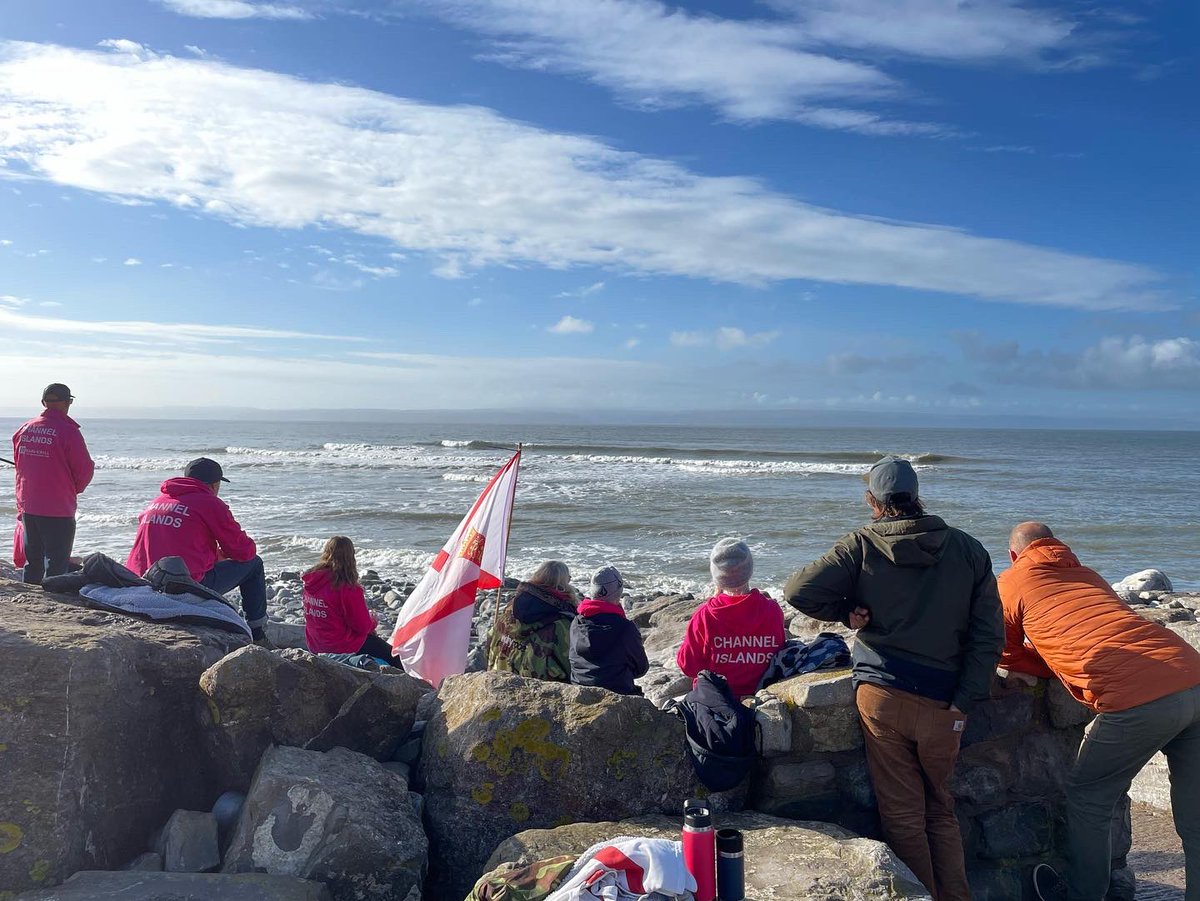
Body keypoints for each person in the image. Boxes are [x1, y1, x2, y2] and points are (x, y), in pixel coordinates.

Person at [784, 456, 1002, 901]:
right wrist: (965, 699)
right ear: (918, 495)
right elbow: (988, 636)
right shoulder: (968, 549)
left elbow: (797, 591)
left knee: (903, 817)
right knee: (940, 809)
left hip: (884, 693)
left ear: (873, 500)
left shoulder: (861, 545)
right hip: (945, 700)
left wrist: (844, 611)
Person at [997, 522, 1200, 901]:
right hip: (1191, 671)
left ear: (1013, 555)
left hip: (1139, 696)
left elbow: (1003, 650)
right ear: (1061, 547)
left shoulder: (1010, 582)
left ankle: (1084, 893)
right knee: (1196, 815)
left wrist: (1048, 666)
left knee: (1089, 796)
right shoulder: (1088, 574)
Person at [126, 457, 268, 643]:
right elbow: (243, 550)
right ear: (214, 484)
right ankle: (258, 633)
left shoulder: (159, 501)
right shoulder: (209, 503)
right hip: (182, 586)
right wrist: (227, 553)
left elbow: (179, 542)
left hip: (140, 582)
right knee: (254, 564)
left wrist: (216, 553)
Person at [676, 538, 784, 699]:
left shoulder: (706, 614)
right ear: (749, 571)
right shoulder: (772, 610)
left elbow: (688, 666)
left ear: (717, 577)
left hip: (717, 698)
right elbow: (778, 653)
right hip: (762, 692)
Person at [11, 383, 94, 583]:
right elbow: (84, 469)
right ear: (68, 403)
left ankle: (31, 597)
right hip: (57, 507)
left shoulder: (25, 428)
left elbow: (20, 463)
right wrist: (73, 489)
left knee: (33, 560)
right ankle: (53, 597)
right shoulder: (68, 431)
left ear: (43, 403)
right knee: (57, 561)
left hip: (29, 503)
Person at [302, 536, 400, 666]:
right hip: (341, 646)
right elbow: (362, 627)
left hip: (316, 644)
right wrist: (373, 621)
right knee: (394, 656)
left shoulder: (312, 582)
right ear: (351, 557)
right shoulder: (347, 587)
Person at [488, 560, 577, 681]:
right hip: (535, 691)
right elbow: (572, 665)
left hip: (498, 677)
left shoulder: (512, 606)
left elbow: (491, 639)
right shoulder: (563, 622)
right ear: (563, 585)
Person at [569, 565, 649, 695]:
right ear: (619, 592)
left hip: (580, 691)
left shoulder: (576, 622)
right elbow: (641, 669)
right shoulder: (625, 628)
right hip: (618, 694)